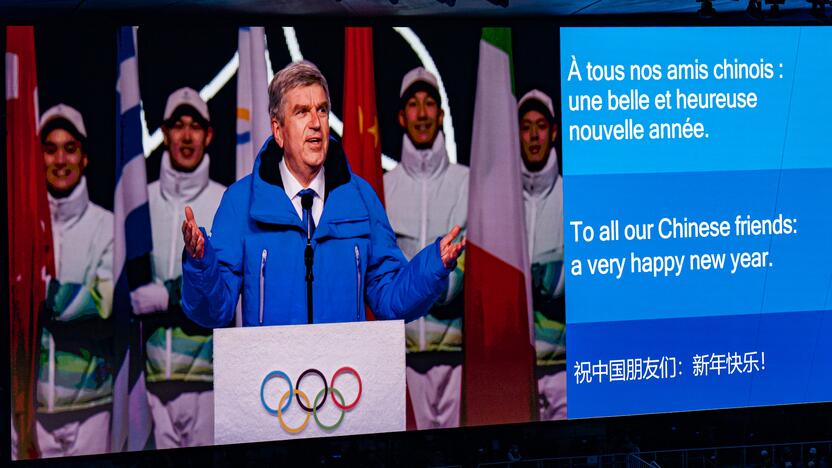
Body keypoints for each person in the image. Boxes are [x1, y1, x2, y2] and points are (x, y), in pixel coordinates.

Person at [180, 61, 465, 330]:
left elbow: (389, 299)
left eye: (323, 110)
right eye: (302, 112)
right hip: (272, 378)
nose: (316, 123)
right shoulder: (240, 202)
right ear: (278, 131)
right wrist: (200, 263)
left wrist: (433, 267)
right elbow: (214, 311)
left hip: (344, 378)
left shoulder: (361, 198)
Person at [134, 88, 226, 448]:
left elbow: (222, 280)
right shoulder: (140, 200)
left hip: (208, 379)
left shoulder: (224, 199)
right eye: (177, 126)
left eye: (195, 127)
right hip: (150, 379)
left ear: (209, 135)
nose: (186, 136)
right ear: (164, 132)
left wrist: (168, 295)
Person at [384, 67, 468, 429]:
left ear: (441, 113)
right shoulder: (383, 187)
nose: (421, 113)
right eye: (413, 105)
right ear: (401, 116)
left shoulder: (468, 182)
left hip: (458, 360)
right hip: (398, 360)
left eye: (430, 103)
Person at [35, 104, 115, 457]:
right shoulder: (21, 229)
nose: (60, 159)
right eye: (50, 149)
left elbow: (104, 302)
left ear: (84, 158)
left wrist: (45, 294)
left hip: (92, 408)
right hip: (30, 409)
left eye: (70, 148)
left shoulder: (107, 225)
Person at [517, 90, 566, 420]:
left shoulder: (573, 197)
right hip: (513, 370)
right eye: (525, 127)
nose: (534, 135)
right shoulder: (499, 200)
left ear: (554, 131)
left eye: (541, 126)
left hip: (563, 369)